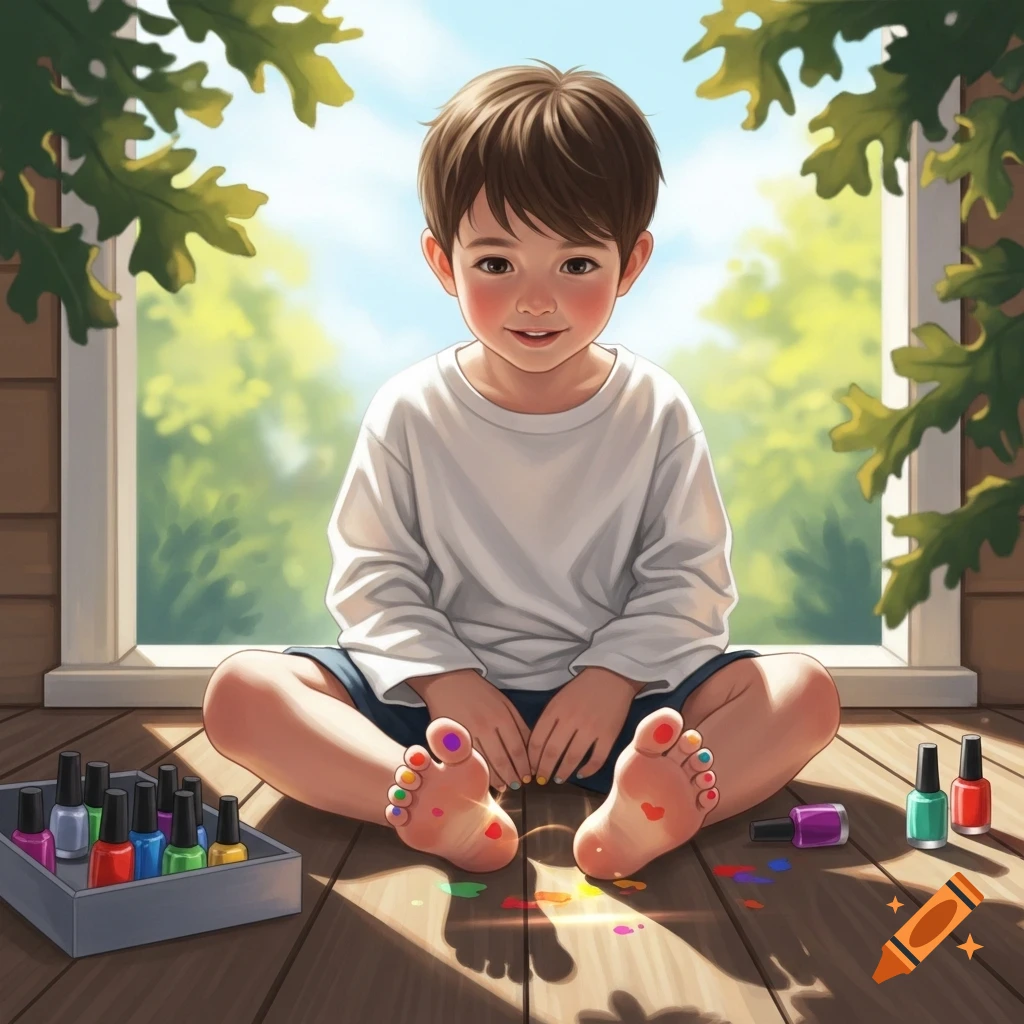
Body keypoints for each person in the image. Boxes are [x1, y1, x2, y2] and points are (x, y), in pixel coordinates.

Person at [203, 61, 841, 879]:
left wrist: (611, 678)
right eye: (497, 265)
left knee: (805, 691)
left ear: (632, 263)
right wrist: (446, 679)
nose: (534, 301)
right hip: (440, 725)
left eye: (576, 265)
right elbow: (373, 576)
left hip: (630, 716)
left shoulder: (656, 408)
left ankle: (646, 811)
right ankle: (434, 804)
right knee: (241, 693)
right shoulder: (409, 410)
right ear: (443, 263)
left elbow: (688, 579)